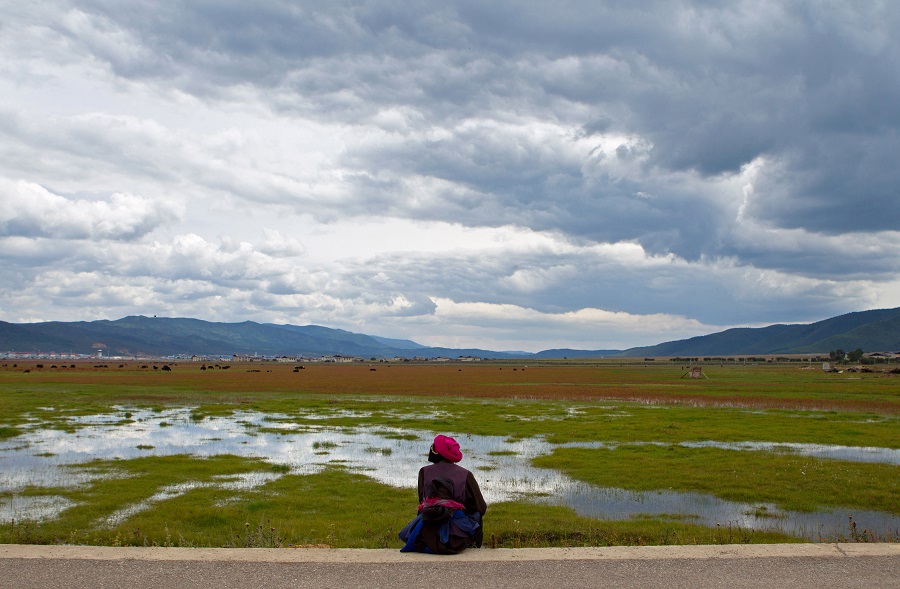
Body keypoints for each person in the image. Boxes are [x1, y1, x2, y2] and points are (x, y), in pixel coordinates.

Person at [398, 434, 487, 554]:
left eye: (433, 447)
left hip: (426, 535)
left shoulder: (424, 472)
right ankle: (474, 546)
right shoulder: (465, 474)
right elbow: (480, 507)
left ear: (437, 452)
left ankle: (419, 535)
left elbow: (422, 500)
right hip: (457, 540)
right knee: (477, 515)